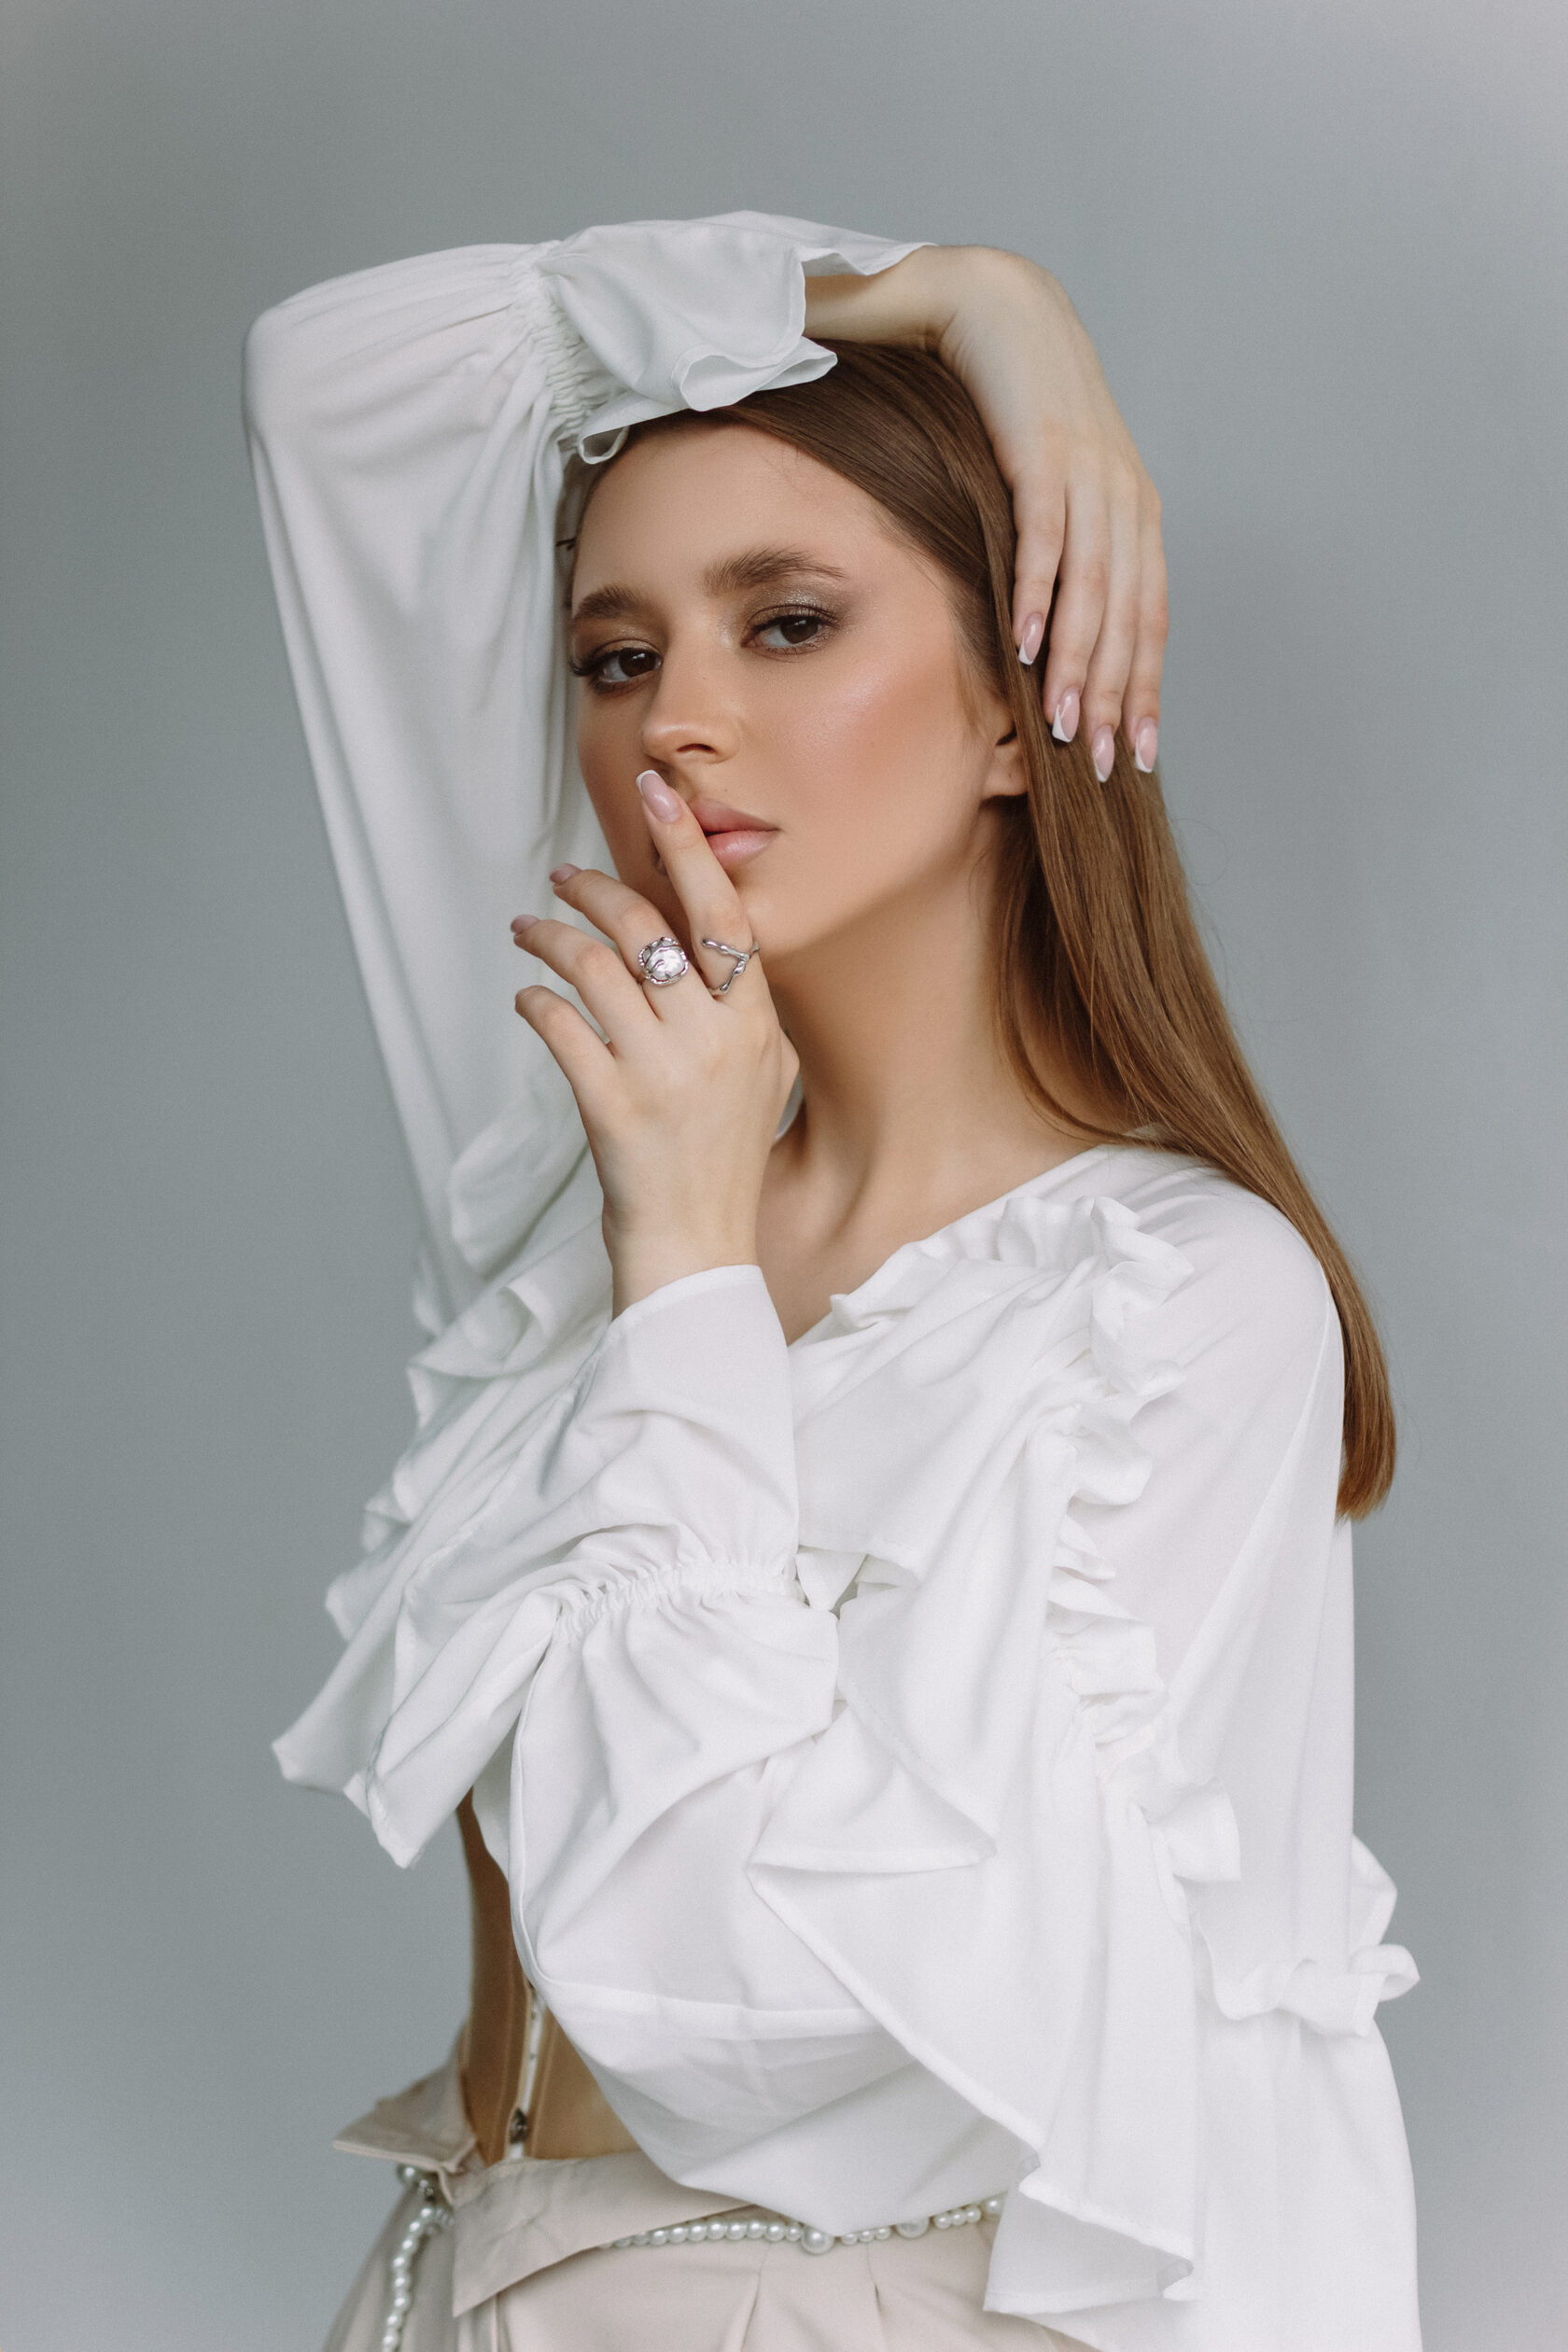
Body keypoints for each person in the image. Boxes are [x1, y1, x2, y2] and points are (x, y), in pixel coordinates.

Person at [243, 213, 1421, 2352]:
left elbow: (756, 2011)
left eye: (789, 625)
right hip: (448, 2286)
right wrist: (959, 299)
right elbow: (337, 385)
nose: (677, 724)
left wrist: (689, 1275)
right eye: (616, 658)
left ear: (1021, 705)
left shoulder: (1165, 1305)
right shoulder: (570, 1194)